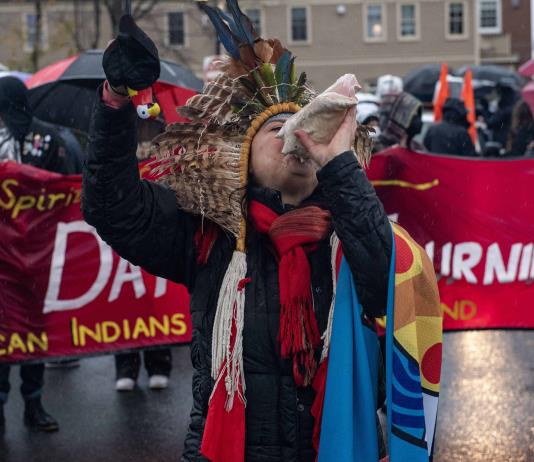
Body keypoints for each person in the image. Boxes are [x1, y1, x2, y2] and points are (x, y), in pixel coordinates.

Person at [83, 10, 438, 462]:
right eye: (277, 130)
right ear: (244, 158)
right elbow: (112, 207)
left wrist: (339, 161)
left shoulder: (353, 229)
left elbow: (385, 283)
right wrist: (116, 100)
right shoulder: (212, 236)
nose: (297, 138)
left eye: (307, 128)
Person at [0, 76, 71, 432]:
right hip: (5, 259)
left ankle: (34, 403)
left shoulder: (48, 139)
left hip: (38, 254)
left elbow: (66, 188)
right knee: (9, 332)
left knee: (32, 332)